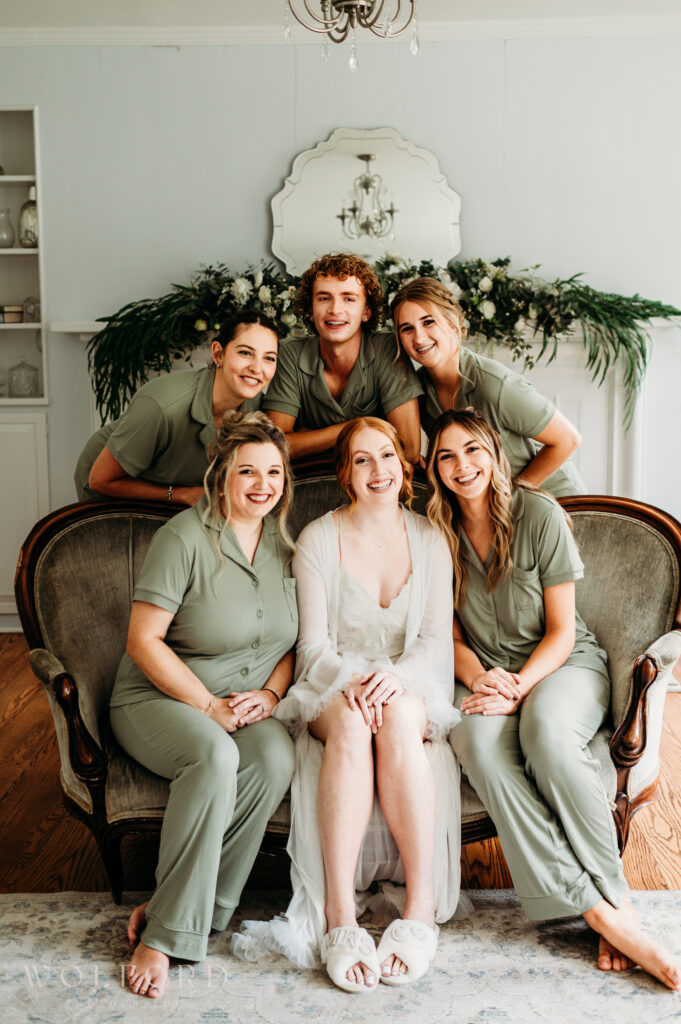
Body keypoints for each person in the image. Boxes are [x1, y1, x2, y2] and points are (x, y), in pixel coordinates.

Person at [426, 407, 680, 991]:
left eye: (472, 450)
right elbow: (451, 634)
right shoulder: (434, 527)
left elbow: (563, 629)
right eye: (446, 456)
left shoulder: (538, 514)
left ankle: (619, 901)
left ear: (494, 453)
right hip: (483, 673)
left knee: (545, 734)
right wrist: (486, 677)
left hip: (562, 664)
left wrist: (518, 686)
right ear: (434, 469)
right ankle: (600, 913)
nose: (462, 466)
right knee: (475, 742)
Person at [233, 417, 465, 992]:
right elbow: (311, 646)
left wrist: (394, 679)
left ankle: (419, 909)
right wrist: (358, 681)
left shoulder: (432, 539)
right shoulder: (318, 539)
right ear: (345, 474)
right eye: (362, 460)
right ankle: (339, 913)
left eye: (386, 456)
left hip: (411, 680)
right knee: (353, 724)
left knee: (402, 719)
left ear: (404, 465)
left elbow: (437, 641)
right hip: (332, 682)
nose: (378, 470)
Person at [109, 411, 298, 999]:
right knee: (216, 758)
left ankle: (201, 907)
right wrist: (208, 707)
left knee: (274, 759)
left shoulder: (284, 544)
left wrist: (270, 695)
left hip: (244, 705)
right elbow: (143, 642)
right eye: (248, 471)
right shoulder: (185, 536)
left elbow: (294, 643)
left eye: (273, 471)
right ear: (222, 476)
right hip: (161, 697)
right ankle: (163, 935)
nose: (262, 484)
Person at [391, 277, 585, 496]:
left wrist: (511, 498)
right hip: (492, 509)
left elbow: (568, 440)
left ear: (453, 321)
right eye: (407, 328)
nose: (419, 337)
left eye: (428, 322)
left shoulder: (495, 385)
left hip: (557, 500)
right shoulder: (417, 393)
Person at [74, 311, 279, 504]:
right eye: (245, 352)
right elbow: (101, 480)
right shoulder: (162, 405)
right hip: (109, 484)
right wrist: (181, 495)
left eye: (269, 358)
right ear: (218, 354)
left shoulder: (258, 409)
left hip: (175, 489)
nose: (257, 368)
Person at [264, 253, 422, 464]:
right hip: (309, 484)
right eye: (324, 298)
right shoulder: (289, 353)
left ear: (366, 312)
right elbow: (274, 448)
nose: (335, 309)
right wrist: (362, 426)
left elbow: (409, 449)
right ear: (311, 311)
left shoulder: (388, 349)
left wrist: (308, 438)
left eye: (348, 298)